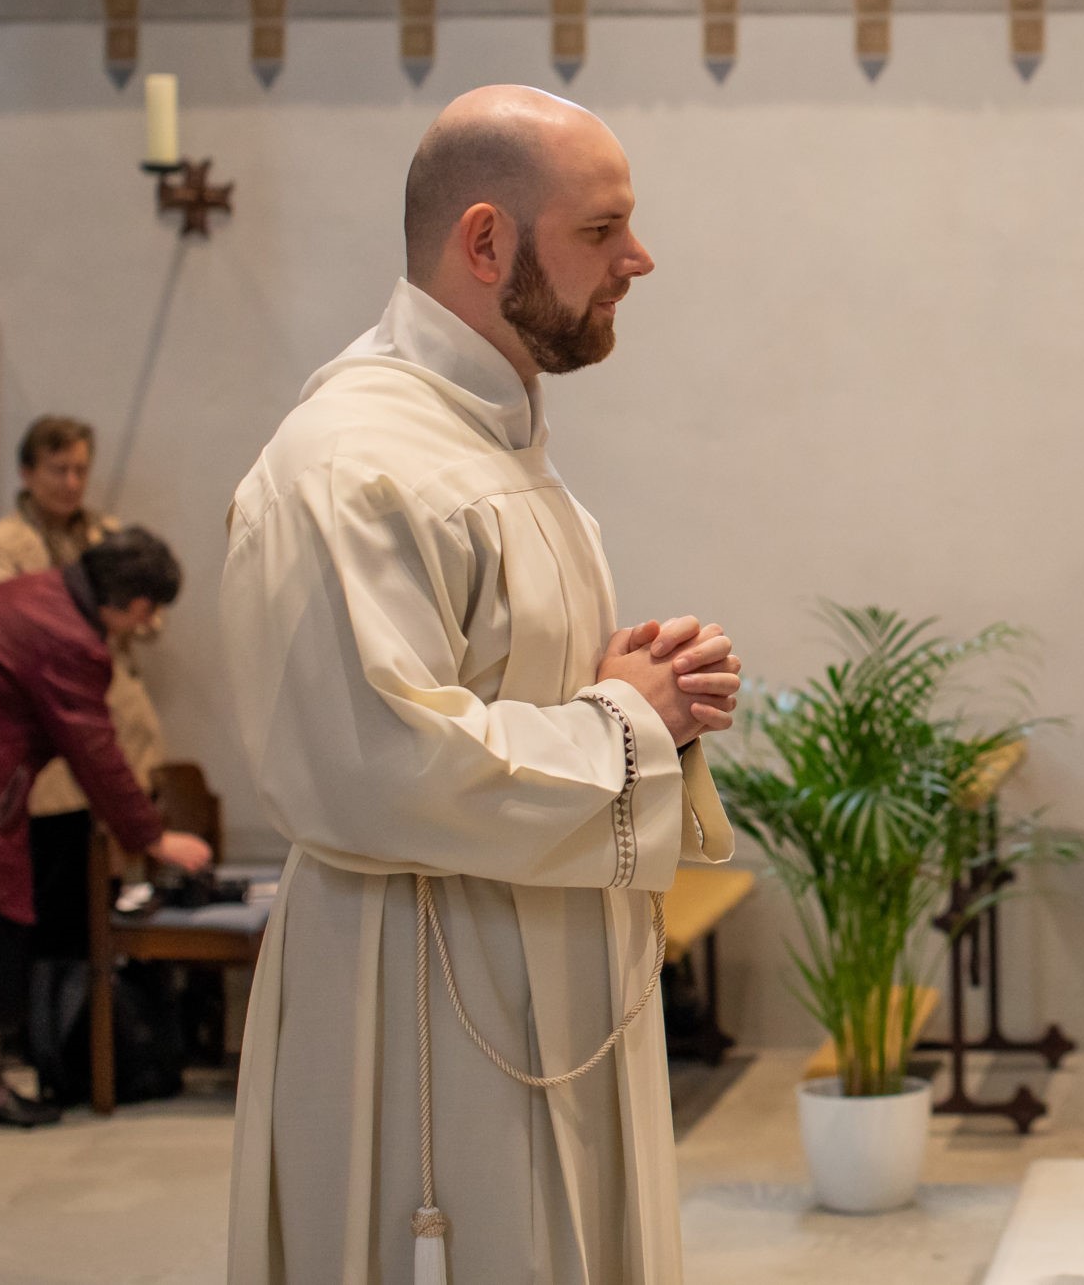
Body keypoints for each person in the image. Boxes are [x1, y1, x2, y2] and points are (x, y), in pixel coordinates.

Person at [222, 85, 738, 1285]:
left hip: (547, 962)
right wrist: (626, 720)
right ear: (487, 241)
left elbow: (531, 696)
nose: (638, 260)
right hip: (421, 1004)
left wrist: (653, 693)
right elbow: (375, 762)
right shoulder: (352, 462)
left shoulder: (491, 439)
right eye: (602, 231)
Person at [0, 527, 213, 1126]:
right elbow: (93, 747)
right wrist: (151, 836)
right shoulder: (68, 637)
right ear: (136, 605)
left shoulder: (32, 593)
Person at [0, 415, 168, 966]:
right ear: (28, 472)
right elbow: (14, 629)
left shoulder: (107, 535)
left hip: (121, 729)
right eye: (59, 469)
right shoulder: (1, 543)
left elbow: (152, 620)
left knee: (117, 903)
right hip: (53, 750)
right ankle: (57, 1035)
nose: (71, 482)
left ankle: (107, 1035)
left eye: (81, 469)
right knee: (57, 907)